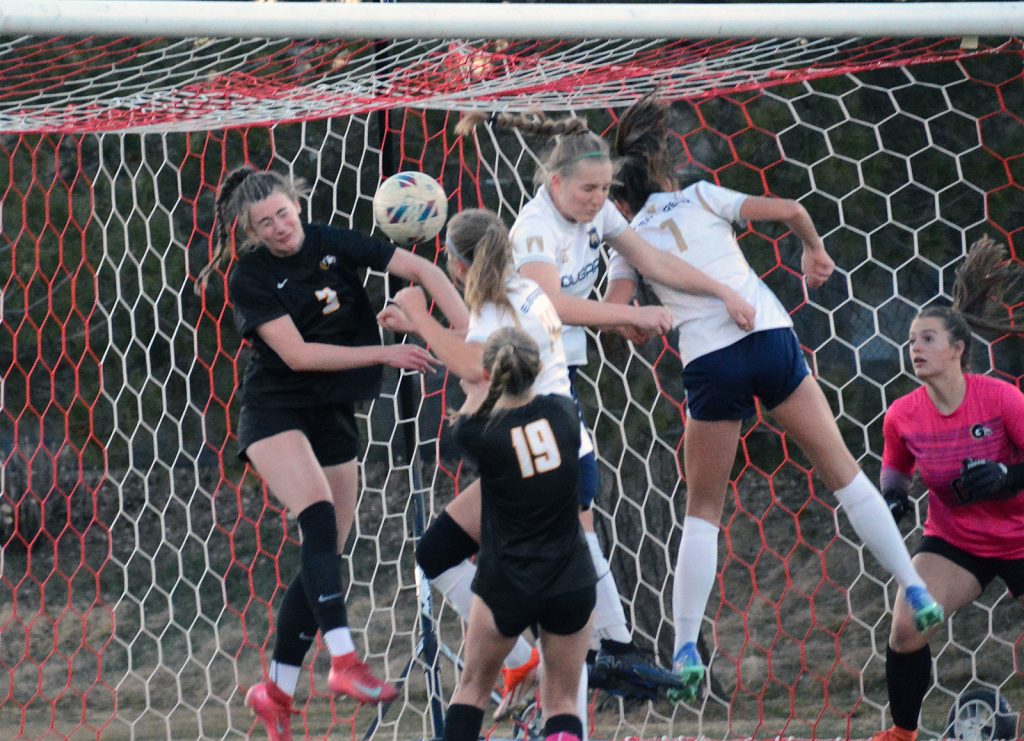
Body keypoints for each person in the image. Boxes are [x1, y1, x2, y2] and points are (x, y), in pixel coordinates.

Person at [604, 94, 945, 703]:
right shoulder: (705, 194)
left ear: (620, 198)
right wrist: (814, 250)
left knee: (702, 510)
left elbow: (622, 314)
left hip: (710, 360)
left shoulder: (625, 237)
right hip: (767, 336)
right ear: (661, 172)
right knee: (843, 472)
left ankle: (685, 647)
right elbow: (790, 207)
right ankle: (914, 589)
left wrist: (638, 319)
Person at [454, 109, 757, 700]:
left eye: (605, 189)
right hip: (525, 390)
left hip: (556, 386)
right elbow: (550, 306)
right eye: (588, 189)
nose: (600, 200)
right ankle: (571, 653)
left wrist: (722, 289)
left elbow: (651, 260)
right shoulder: (534, 230)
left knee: (570, 517)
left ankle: (598, 652)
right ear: (554, 182)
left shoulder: (598, 211)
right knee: (531, 528)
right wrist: (628, 313)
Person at [196, 166, 469, 741]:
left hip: (334, 414)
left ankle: (274, 691)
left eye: (284, 214)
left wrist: (466, 328)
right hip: (276, 410)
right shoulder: (250, 276)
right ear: (248, 229)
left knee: (327, 548)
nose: (279, 228)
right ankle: (344, 662)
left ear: (299, 204)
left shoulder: (330, 240)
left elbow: (417, 267)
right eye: (264, 223)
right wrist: (383, 354)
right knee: (317, 514)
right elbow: (296, 355)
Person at [378, 208, 598, 727]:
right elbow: (477, 336)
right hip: (559, 445)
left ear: (457, 265)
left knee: (537, 631)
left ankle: (528, 668)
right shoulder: (519, 290)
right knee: (442, 553)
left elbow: (475, 363)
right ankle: (524, 665)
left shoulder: (476, 420)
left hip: (527, 453)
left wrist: (419, 318)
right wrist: (424, 316)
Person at [871, 236, 1024, 741]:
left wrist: (1008, 478)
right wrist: (892, 499)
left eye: (928, 338)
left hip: (1021, 534)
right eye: (912, 339)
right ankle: (902, 733)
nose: (915, 346)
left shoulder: (1001, 398)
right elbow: (895, 472)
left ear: (958, 349)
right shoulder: (902, 415)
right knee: (906, 627)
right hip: (957, 542)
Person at [440, 325, 596, 741]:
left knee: (471, 688)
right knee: (562, 701)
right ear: (540, 367)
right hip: (570, 577)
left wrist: (478, 381)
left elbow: (473, 408)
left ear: (488, 374)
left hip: (507, 582)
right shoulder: (564, 415)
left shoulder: (477, 435)